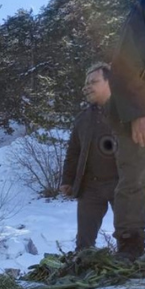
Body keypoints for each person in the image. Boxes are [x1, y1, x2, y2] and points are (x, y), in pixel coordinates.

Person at [60, 63, 118, 251]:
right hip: (91, 186)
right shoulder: (82, 118)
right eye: (86, 83)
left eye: (94, 81)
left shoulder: (128, 112)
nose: (87, 87)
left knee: (130, 235)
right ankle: (85, 268)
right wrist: (67, 180)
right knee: (84, 244)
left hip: (123, 184)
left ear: (110, 82)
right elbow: (73, 152)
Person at [107, 0, 145, 260]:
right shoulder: (140, 15)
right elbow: (124, 66)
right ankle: (129, 244)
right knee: (134, 176)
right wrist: (138, 113)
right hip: (133, 110)